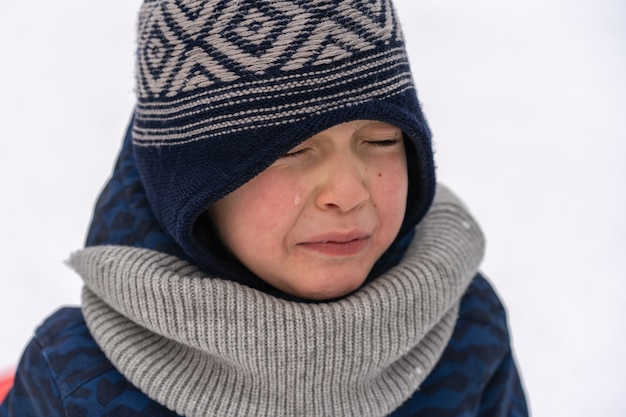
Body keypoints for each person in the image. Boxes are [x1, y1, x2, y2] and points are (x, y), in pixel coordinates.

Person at [0, 1, 528, 416]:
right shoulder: (80, 378)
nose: (348, 191)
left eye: (381, 139)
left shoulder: (465, 322)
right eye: (291, 150)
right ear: (194, 186)